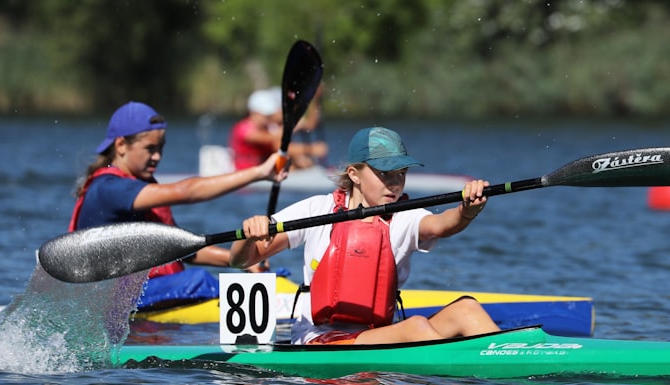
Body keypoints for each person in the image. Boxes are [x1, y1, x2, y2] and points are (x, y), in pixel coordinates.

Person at [230, 126, 501, 345]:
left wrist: (467, 211)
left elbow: (443, 224)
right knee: (415, 327)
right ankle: (462, 367)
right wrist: (248, 235)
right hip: (321, 340)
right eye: (385, 174)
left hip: (380, 334)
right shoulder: (318, 209)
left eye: (401, 174)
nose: (395, 183)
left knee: (467, 308)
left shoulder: (404, 216)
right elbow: (241, 261)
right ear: (354, 174)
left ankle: (514, 362)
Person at [70, 101, 287, 310]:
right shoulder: (109, 188)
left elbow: (181, 250)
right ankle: (268, 302)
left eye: (161, 148)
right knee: (197, 280)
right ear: (120, 146)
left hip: (144, 293)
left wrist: (244, 262)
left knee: (270, 276)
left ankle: (270, 294)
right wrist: (259, 173)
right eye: (150, 148)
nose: (157, 156)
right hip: (109, 299)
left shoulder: (139, 186)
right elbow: (187, 192)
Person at [229, 87, 326, 172]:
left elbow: (310, 125)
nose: (269, 117)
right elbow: (273, 141)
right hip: (248, 173)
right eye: (266, 114)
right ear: (254, 112)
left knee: (302, 161)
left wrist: (315, 100)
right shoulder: (244, 129)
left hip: (266, 169)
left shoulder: (267, 126)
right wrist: (311, 149)